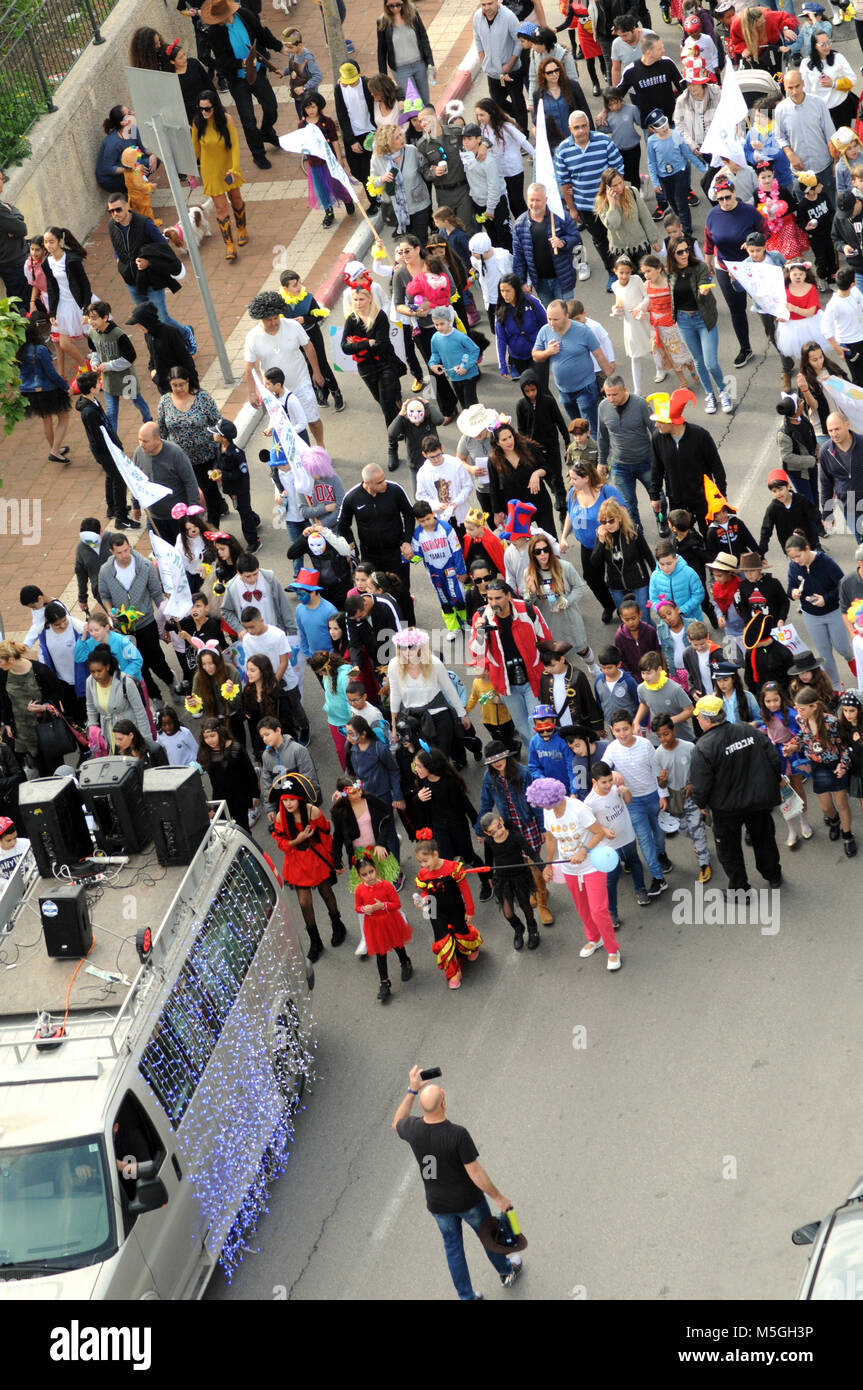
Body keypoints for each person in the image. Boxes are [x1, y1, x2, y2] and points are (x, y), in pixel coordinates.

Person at [392, 1061, 523, 1298]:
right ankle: (506, 1271)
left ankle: (466, 1296)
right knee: (488, 1236)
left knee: (453, 1249)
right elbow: (475, 1173)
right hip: (468, 1201)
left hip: (438, 1205)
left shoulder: (412, 1129)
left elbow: (396, 1123)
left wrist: (412, 1090)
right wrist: (498, 1197)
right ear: (444, 1102)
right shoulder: (457, 1135)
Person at [689, 693, 783, 890]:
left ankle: (740, 888)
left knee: (729, 849)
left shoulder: (703, 747)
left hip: (726, 809)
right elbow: (773, 758)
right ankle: (773, 875)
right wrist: (776, 781)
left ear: (706, 719)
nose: (697, 720)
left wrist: (701, 804)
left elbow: (701, 783)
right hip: (758, 801)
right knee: (764, 840)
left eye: (698, 717)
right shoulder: (748, 730)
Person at [531, 776, 622, 968]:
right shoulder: (548, 812)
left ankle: (612, 949)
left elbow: (599, 833)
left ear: (554, 799)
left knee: (598, 910)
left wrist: (584, 851)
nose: (544, 809)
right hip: (569, 868)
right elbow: (550, 839)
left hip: (592, 864)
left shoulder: (578, 809)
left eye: (545, 805)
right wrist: (547, 865)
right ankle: (594, 938)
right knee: (582, 908)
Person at [198, 0, 285, 169]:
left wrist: (280, 47)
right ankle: (258, 154)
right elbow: (222, 60)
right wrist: (240, 63)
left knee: (271, 106)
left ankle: (266, 131)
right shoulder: (215, 32)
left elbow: (262, 34)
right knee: (248, 120)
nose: (219, 21)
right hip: (237, 79)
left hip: (257, 71)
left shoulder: (245, 15)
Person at [271, 773, 347, 961]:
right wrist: (298, 839)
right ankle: (315, 941)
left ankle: (337, 924)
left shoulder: (314, 812)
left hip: (316, 859)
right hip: (296, 861)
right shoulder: (281, 817)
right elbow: (282, 844)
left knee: (326, 893)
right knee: (304, 903)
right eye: (285, 799)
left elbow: (327, 838)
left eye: (292, 799)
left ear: (300, 799)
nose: (288, 804)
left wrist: (335, 860)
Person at [97, 534, 175, 700]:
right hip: (124, 627)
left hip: (146, 622)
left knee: (156, 659)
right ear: (112, 552)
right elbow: (104, 595)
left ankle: (170, 682)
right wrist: (111, 611)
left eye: (126, 550)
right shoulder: (105, 571)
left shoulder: (145, 566)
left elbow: (156, 593)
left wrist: (165, 617)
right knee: (138, 664)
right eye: (119, 553)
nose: (124, 555)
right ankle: (155, 696)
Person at [703, 178, 770, 369]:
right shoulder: (712, 215)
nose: (724, 202)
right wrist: (708, 263)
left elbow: (766, 233)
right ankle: (745, 348)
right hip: (726, 268)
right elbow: (709, 241)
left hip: (751, 266)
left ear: (734, 194)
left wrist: (753, 244)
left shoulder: (749, 211)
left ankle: (777, 341)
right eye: (720, 199)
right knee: (736, 310)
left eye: (728, 197)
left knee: (765, 305)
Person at [244, 290, 324, 445]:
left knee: (313, 420)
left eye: (276, 318)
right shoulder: (252, 338)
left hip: (301, 382)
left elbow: (308, 347)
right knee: (284, 426)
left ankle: (321, 447)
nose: (274, 323)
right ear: (260, 319)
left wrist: (317, 372)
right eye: (269, 320)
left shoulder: (293, 326)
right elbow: (250, 367)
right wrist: (252, 392)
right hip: (275, 391)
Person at [553, 111, 623, 282]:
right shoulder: (562, 151)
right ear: (570, 129)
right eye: (576, 127)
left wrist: (617, 195)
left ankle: (627, 270)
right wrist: (572, 208)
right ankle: (612, 273)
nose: (581, 131)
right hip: (586, 206)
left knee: (619, 234)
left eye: (584, 126)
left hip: (610, 202)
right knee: (600, 239)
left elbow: (618, 168)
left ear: (589, 125)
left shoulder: (604, 141)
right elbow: (563, 182)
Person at [648, 389, 726, 537]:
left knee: (710, 535)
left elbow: (717, 466)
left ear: (673, 421)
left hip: (702, 498)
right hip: (677, 499)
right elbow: (656, 468)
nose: (656, 425)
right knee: (683, 539)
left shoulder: (700, 436)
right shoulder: (657, 438)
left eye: (660, 421)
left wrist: (721, 494)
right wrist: (655, 496)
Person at [341, 286, 407, 463]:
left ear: (369, 298)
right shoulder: (352, 320)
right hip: (366, 369)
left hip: (385, 364)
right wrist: (365, 343)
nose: (358, 303)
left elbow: (381, 345)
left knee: (386, 407)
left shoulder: (380, 317)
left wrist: (357, 343)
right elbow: (344, 348)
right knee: (383, 402)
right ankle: (401, 420)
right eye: (355, 300)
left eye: (361, 299)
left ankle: (392, 449)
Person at [666, 236, 730, 414]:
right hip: (683, 321)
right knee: (698, 362)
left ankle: (723, 391)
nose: (685, 254)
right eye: (680, 252)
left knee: (710, 363)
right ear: (672, 254)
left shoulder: (699, 267)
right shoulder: (669, 273)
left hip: (703, 319)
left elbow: (704, 282)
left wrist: (704, 289)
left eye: (687, 250)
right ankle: (710, 394)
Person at [106, 191, 184, 330]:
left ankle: (186, 333)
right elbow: (116, 245)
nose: (115, 214)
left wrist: (148, 262)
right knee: (145, 320)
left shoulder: (144, 224)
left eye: (118, 209)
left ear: (127, 205)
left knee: (162, 319)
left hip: (152, 280)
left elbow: (163, 248)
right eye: (111, 211)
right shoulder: (112, 225)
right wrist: (119, 262)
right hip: (131, 281)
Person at [532, 298, 612, 433]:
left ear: (566, 316)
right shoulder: (545, 331)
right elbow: (535, 355)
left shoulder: (583, 331)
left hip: (585, 388)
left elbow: (599, 355)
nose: (552, 323)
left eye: (556, 319)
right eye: (549, 319)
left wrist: (609, 380)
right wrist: (548, 352)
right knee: (576, 427)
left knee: (590, 426)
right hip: (564, 391)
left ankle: (596, 452)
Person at [559, 456, 625, 620]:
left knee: (616, 577)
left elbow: (623, 511)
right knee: (592, 578)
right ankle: (609, 605)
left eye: (575, 478)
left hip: (610, 543)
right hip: (588, 546)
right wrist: (563, 537)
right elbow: (569, 514)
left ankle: (625, 609)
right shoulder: (573, 493)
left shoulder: (606, 491)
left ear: (587, 478)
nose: (571, 482)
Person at [786, 529, 852, 689]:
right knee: (824, 653)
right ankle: (836, 686)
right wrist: (793, 592)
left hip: (834, 611)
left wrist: (826, 599)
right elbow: (791, 586)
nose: (796, 560)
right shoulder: (794, 567)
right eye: (792, 558)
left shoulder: (825, 562)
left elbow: (843, 585)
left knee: (842, 647)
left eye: (798, 556)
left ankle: (853, 661)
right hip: (811, 615)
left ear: (807, 549)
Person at [191, 88, 247, 261]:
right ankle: (229, 245)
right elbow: (195, 150)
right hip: (211, 172)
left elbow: (236, 146)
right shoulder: (197, 123)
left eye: (207, 108)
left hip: (229, 168)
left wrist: (235, 169)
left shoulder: (227, 120)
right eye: (201, 108)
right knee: (221, 207)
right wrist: (191, 172)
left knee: (236, 199)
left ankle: (242, 229)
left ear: (215, 106)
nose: (204, 112)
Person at [338, 463, 415, 581]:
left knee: (401, 589)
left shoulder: (395, 490)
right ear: (367, 483)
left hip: (395, 551)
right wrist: (352, 551)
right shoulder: (352, 497)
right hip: (370, 556)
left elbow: (409, 514)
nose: (384, 484)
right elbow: (343, 526)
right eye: (379, 482)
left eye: (384, 479)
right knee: (374, 590)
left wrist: (407, 541)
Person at [596, 377, 656, 527]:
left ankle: (662, 521)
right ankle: (637, 535)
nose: (611, 398)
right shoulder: (603, 407)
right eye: (607, 394)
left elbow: (655, 430)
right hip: (619, 466)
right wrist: (602, 461)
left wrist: (661, 457)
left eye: (614, 394)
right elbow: (602, 436)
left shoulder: (640, 404)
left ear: (624, 390)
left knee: (657, 497)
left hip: (646, 462)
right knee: (627, 505)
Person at [85, 300, 151, 434]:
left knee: (137, 401)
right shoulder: (92, 334)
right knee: (111, 413)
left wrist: (109, 365)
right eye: (89, 318)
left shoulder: (118, 334)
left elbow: (130, 357)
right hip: (109, 380)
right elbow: (95, 351)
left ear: (105, 317)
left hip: (127, 378)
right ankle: (114, 442)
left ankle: (148, 421)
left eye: (94, 318)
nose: (91, 322)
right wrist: (94, 363)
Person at [354, 854, 413, 1004]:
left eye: (371, 872)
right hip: (374, 924)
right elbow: (357, 907)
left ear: (376, 870)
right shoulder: (359, 890)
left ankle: (405, 962)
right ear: (359, 876)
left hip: (390, 920)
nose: (369, 876)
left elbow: (396, 904)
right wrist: (363, 909)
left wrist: (383, 906)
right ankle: (384, 982)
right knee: (381, 953)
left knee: (397, 944)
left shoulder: (386, 885)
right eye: (364, 874)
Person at [511, 185, 581, 312]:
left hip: (563, 279)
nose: (534, 204)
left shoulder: (560, 216)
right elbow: (519, 257)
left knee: (567, 315)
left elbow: (575, 236)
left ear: (546, 199)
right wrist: (521, 282)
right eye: (531, 200)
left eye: (538, 200)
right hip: (540, 283)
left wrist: (563, 242)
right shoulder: (520, 225)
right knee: (551, 317)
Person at [775, 68, 837, 210]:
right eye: (790, 88)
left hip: (824, 167)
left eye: (797, 86)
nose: (794, 91)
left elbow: (831, 135)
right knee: (807, 212)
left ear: (803, 84)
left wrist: (835, 161)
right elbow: (780, 136)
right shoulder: (781, 110)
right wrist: (790, 154)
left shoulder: (818, 103)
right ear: (785, 87)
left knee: (831, 207)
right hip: (800, 172)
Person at [17, 321, 72, 464]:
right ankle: (55, 451)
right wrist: (65, 387)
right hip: (47, 390)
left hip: (29, 392)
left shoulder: (18, 350)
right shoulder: (40, 349)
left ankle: (55, 449)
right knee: (64, 416)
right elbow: (51, 373)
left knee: (46, 419)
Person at [474, 97, 535, 221]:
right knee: (509, 203)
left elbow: (523, 142)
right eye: (478, 115)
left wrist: (536, 156)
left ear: (491, 113)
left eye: (482, 115)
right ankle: (520, 225)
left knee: (517, 201)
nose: (479, 118)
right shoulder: (482, 129)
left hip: (513, 170)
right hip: (498, 173)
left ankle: (528, 224)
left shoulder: (506, 127)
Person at [41, 227, 92, 374]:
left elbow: (85, 285)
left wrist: (86, 309)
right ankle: (84, 365)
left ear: (60, 241)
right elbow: (52, 288)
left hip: (80, 302)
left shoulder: (72, 259)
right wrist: (52, 313)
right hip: (63, 305)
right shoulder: (47, 262)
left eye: (51, 241)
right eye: (45, 242)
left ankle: (100, 366)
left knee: (93, 337)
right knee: (63, 343)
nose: (48, 245)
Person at [84, 644, 150, 751]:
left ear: (108, 667)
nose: (96, 675)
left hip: (129, 735)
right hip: (109, 736)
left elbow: (140, 712)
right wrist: (93, 727)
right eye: (92, 671)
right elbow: (90, 707)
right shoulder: (90, 682)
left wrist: (147, 740)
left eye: (99, 671)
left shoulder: (125, 682)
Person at [473, 0, 528, 127]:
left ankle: (523, 132)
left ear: (497, 2)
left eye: (490, 3)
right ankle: (517, 119)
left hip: (511, 70)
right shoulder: (477, 17)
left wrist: (509, 65)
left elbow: (518, 42)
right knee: (497, 103)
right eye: (483, 4)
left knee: (517, 102)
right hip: (492, 72)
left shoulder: (509, 16)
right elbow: (477, 39)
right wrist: (483, 61)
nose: (486, 8)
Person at [416, 110, 474, 230]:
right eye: (420, 121)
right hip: (444, 194)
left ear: (434, 117)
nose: (422, 124)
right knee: (450, 231)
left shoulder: (456, 132)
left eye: (425, 119)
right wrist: (433, 172)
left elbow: (477, 137)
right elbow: (424, 170)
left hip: (463, 189)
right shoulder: (422, 145)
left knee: (467, 228)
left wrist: (484, 145)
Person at [334, 63, 378, 210]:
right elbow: (342, 115)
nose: (349, 84)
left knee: (367, 169)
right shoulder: (338, 89)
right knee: (356, 170)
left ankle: (374, 201)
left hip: (370, 132)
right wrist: (351, 140)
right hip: (352, 135)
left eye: (352, 81)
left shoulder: (367, 84)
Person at [533, 56, 592, 152]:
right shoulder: (538, 94)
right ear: (543, 75)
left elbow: (585, 111)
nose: (554, 74)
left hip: (575, 137)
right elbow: (538, 119)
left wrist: (590, 135)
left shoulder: (573, 86)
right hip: (554, 142)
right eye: (549, 72)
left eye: (557, 70)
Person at [0, 167, 29, 308]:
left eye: (2, 178)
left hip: (12, 262)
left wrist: (14, 216)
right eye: (0, 179)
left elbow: (16, 214)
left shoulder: (3, 207)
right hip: (13, 263)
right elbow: (22, 229)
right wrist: (15, 223)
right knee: (22, 303)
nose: (2, 182)